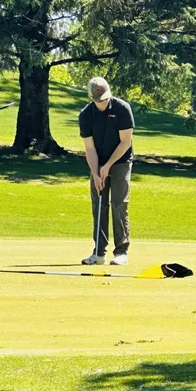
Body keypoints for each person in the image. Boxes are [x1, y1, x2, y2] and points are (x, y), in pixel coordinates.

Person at [78, 77, 135, 266]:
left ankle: (121, 252)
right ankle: (98, 253)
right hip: (98, 161)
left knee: (119, 203)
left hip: (120, 161)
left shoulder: (121, 109)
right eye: (99, 100)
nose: (103, 102)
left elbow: (125, 142)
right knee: (99, 204)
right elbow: (90, 148)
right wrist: (95, 173)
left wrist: (108, 165)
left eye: (105, 98)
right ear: (91, 97)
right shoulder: (86, 115)